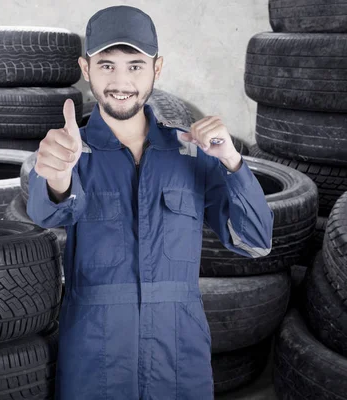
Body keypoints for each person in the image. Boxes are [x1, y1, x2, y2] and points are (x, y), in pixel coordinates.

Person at [27, 5, 274, 400]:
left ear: (157, 69)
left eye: (135, 66)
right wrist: (58, 179)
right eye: (106, 65)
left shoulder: (191, 155)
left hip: (180, 364)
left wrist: (232, 162)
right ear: (85, 68)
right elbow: (44, 212)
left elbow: (256, 240)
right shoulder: (68, 152)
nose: (121, 80)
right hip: (95, 365)